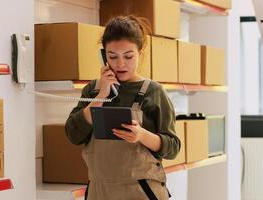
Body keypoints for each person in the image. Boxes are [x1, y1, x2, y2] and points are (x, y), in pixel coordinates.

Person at [65, 15, 180, 200]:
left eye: (128, 56)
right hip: (99, 192)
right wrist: (101, 96)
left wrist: (141, 135)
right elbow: (73, 134)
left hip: (140, 191)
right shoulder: (92, 90)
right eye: (112, 56)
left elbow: (173, 147)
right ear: (104, 56)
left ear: (140, 54)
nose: (120, 64)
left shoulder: (154, 91)